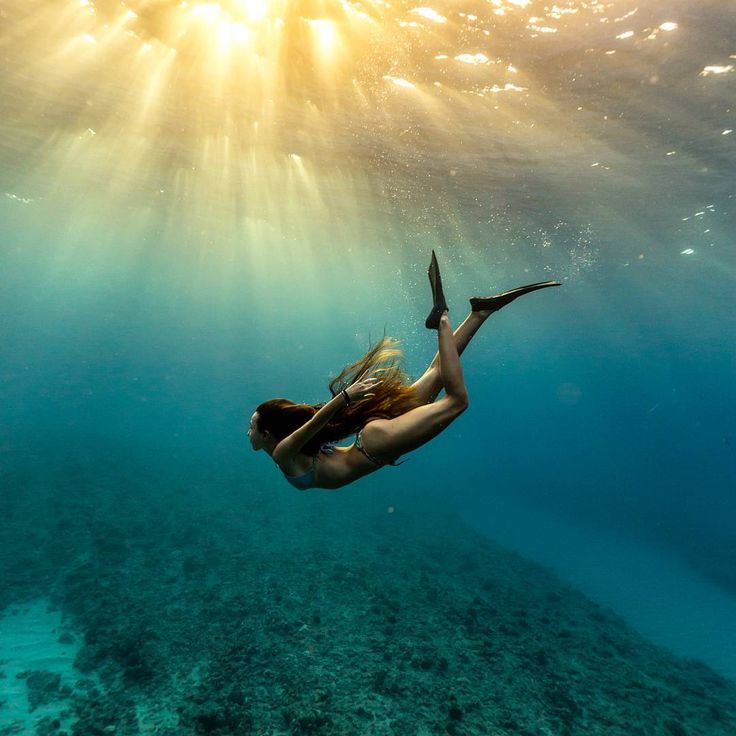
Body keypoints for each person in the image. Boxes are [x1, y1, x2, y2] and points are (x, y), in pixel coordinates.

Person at [247, 251, 559, 490]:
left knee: (457, 401)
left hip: (375, 446)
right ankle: (481, 312)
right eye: (251, 426)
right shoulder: (295, 450)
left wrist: (344, 398)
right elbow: (314, 426)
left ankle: (443, 319)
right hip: (374, 439)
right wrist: (344, 399)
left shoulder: (282, 456)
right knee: (437, 374)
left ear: (267, 434)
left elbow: (315, 423)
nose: (248, 432)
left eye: (252, 426)